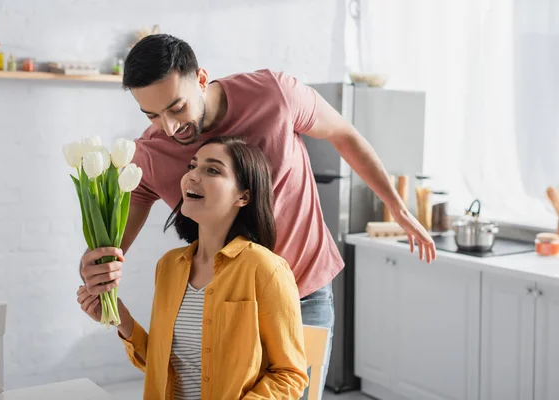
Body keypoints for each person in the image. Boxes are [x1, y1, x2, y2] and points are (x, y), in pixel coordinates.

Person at [79, 34, 436, 397]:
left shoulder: (273, 95)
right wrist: (97, 271)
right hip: (226, 303)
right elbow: (113, 250)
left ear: (201, 79)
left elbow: (343, 134)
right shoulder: (152, 153)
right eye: (152, 115)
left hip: (302, 290)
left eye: (176, 108)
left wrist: (399, 208)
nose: (170, 127)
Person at [78, 136, 308, 399]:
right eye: (191, 167)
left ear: (243, 196)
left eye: (212, 170)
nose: (192, 176)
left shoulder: (266, 269)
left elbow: (290, 374)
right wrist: (119, 317)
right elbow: (164, 364)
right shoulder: (169, 266)